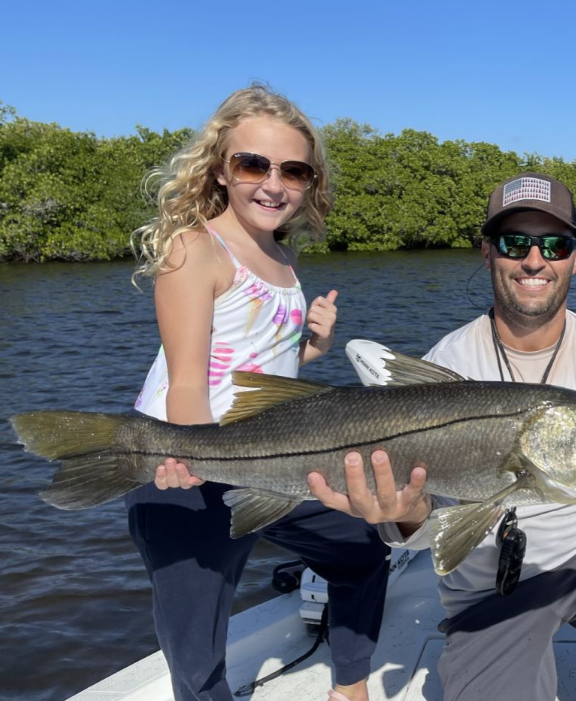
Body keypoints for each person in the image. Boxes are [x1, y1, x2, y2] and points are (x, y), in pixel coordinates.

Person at [309, 173, 576, 701]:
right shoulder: (449, 362)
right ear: (488, 253)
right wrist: (404, 513)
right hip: (487, 580)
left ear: (575, 257)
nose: (535, 259)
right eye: (516, 242)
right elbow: (427, 534)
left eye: (554, 243)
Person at [127, 84, 389, 701]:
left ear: (309, 182)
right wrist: (189, 458)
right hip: (181, 465)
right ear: (222, 168)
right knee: (196, 650)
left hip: (276, 462)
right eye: (253, 164)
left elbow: (252, 367)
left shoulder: (281, 256)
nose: (273, 184)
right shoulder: (195, 248)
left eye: (293, 170)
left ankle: (350, 686)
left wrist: (312, 351)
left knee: (363, 549)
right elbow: (189, 380)